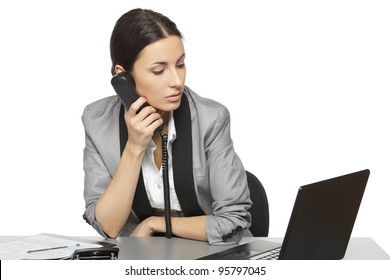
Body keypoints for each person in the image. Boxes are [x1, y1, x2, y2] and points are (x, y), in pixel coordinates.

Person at [82, 8, 252, 245]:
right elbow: (108, 227)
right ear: (123, 77)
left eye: (180, 65)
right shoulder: (97, 121)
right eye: (159, 70)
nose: (177, 81)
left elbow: (233, 222)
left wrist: (157, 223)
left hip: (214, 254)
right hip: (141, 260)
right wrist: (134, 147)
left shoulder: (211, 118)